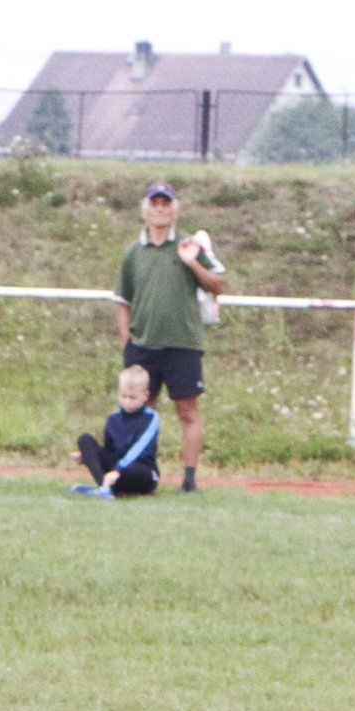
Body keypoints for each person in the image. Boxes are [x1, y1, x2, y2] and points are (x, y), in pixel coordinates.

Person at [113, 181, 224, 494]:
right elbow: (123, 301)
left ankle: (189, 479)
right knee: (140, 411)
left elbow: (218, 285)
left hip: (182, 344)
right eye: (154, 204)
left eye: (166, 204)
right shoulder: (134, 253)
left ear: (175, 210)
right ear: (145, 210)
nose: (160, 209)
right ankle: (142, 472)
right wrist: (127, 343)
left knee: (188, 411)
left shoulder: (190, 246)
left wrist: (191, 263)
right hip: (143, 345)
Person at [68, 364, 161, 498]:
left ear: (145, 395)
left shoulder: (151, 417)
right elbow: (109, 451)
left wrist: (118, 470)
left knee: (132, 469)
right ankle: (104, 488)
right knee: (85, 439)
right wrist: (88, 456)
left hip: (141, 470)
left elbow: (139, 449)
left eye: (132, 397)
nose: (127, 401)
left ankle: (109, 486)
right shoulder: (113, 418)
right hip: (116, 471)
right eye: (124, 396)